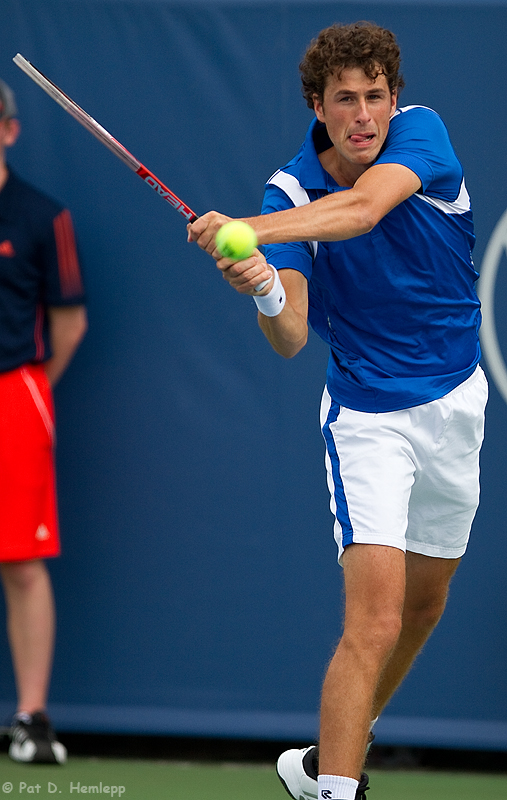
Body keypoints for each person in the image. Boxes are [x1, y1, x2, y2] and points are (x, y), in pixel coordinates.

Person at [188, 21, 488, 800]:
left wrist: (242, 231)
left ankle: (323, 760)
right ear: (315, 106)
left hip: (457, 399)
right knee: (376, 621)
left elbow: (359, 212)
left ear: (395, 98)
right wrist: (260, 282)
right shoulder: (288, 191)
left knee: (425, 606)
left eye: (375, 97)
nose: (363, 115)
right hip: (368, 420)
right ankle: (340, 789)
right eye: (344, 100)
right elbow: (289, 335)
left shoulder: (421, 135)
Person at [0, 78, 87, 764]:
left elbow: (69, 324)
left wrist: (29, 390)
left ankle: (31, 719)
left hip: (15, 395)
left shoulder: (42, 217)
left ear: (9, 131)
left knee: (22, 562)